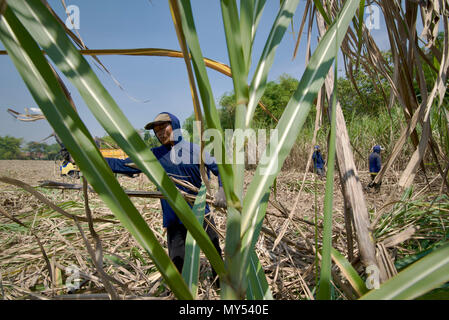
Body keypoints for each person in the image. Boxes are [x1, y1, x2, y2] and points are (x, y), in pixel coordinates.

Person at [105, 112, 224, 284]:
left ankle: (222, 288)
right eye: (156, 130)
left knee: (214, 253)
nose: (160, 133)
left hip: (200, 213)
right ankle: (178, 293)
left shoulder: (195, 150)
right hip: (174, 218)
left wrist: (222, 189)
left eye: (163, 127)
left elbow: (220, 168)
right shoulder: (154, 156)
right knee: (177, 261)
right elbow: (121, 164)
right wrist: (83, 156)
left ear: (175, 126)